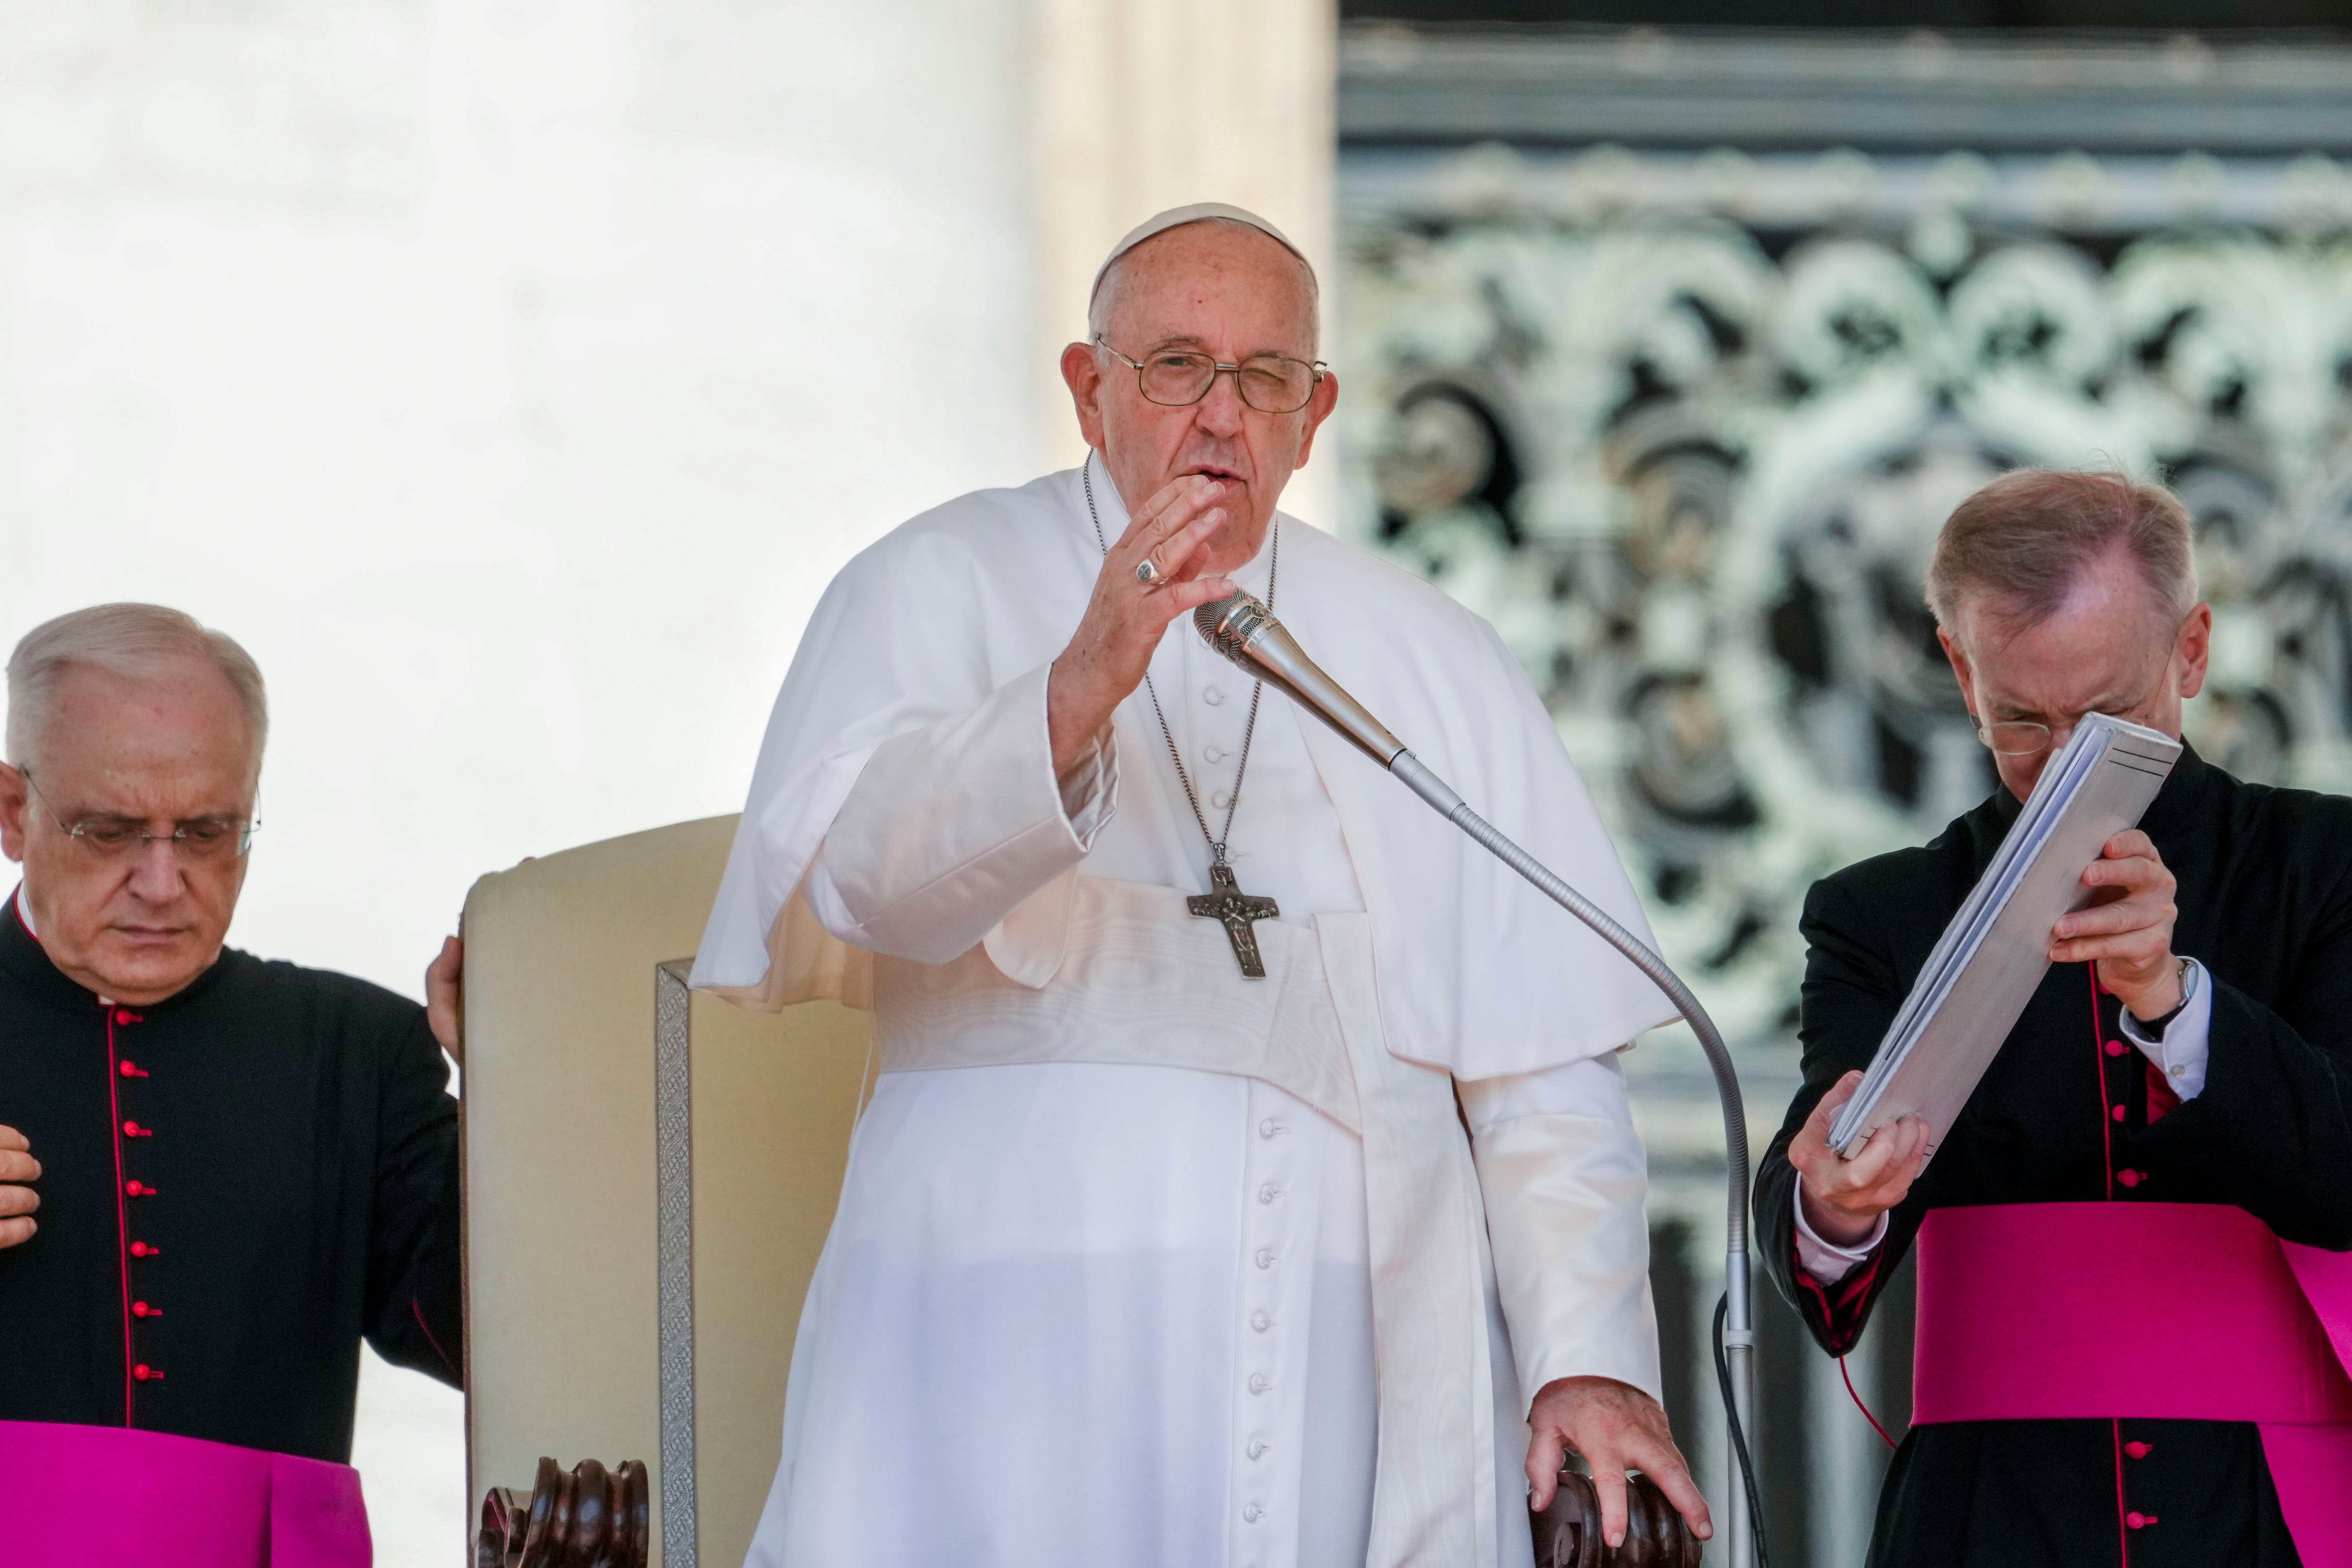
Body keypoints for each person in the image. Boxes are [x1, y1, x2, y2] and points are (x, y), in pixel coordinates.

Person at [692, 203, 1712, 1568]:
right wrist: (1074, 691)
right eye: (1176, 365)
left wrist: (1589, 1357)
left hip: (1343, 1345)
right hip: (999, 1329)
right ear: (1088, 387)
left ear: (1317, 410)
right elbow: (859, 882)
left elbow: (1543, 1071)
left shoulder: (1431, 653)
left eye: (1265, 376)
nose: (1221, 414)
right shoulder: (933, 579)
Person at [1754, 469, 2352, 1567]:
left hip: (2279, 1505)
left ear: (2192, 650)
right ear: (1957, 667)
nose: (2068, 760)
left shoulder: (2324, 865)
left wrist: (2174, 999)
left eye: (2110, 716)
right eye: (2021, 720)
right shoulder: (1878, 913)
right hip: (1992, 1513)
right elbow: (1820, 1229)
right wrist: (1835, 1204)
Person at [0, 603, 465, 1558]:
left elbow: (493, 1345)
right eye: (112, 830)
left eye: (208, 831)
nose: (163, 881)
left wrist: (530, 1082)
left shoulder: (360, 1050)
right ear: (13, 810)